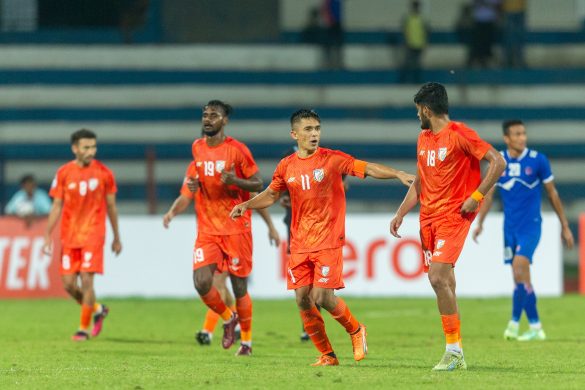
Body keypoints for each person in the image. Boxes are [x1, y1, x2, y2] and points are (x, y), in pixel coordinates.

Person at [230, 108, 414, 366]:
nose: (314, 134)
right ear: (294, 134)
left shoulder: (332, 159)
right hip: (300, 243)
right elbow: (271, 194)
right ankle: (327, 355)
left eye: (317, 128)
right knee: (302, 299)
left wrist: (397, 174)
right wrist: (247, 205)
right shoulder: (286, 166)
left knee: (322, 297)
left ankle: (356, 329)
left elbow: (367, 168)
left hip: (328, 239)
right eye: (308, 129)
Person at [390, 82, 506, 371]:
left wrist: (476, 196)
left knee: (437, 277)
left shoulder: (460, 134)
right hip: (427, 219)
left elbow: (498, 162)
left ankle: (453, 351)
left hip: (454, 216)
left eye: (419, 111)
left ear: (426, 109)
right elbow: (420, 181)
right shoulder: (424, 139)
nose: (418, 116)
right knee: (445, 281)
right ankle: (457, 351)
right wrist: (401, 212)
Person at [174, 99, 265, 356]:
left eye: (214, 115)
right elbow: (199, 179)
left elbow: (258, 183)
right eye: (205, 114)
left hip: (236, 228)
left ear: (224, 121)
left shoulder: (237, 150)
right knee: (201, 282)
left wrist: (235, 180)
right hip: (208, 230)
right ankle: (228, 318)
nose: (208, 119)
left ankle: (246, 342)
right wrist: (194, 186)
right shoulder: (197, 147)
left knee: (239, 288)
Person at [473, 120, 574, 341]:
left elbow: (553, 194)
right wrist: (480, 222)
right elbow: (488, 196)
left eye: (524, 133)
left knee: (520, 266)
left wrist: (564, 226)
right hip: (509, 228)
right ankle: (517, 324)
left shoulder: (538, 160)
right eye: (517, 134)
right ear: (507, 138)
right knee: (518, 277)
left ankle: (533, 326)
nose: (522, 138)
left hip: (531, 225)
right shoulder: (498, 162)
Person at [163, 174, 281, 346]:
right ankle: (232, 322)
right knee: (214, 285)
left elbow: (255, 197)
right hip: (211, 238)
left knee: (220, 284)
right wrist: (172, 212)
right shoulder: (197, 168)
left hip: (234, 237)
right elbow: (185, 195)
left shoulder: (234, 170)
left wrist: (271, 226)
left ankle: (213, 330)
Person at [42, 129, 122, 341]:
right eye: (86, 147)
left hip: (94, 234)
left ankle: (82, 329)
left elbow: (111, 206)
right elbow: (57, 205)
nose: (91, 151)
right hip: (69, 235)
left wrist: (116, 236)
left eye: (93, 147)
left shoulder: (105, 173)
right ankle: (97, 309)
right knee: (69, 284)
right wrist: (48, 234)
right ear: (75, 148)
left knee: (87, 281)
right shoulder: (63, 173)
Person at [400, 0, 428, 84]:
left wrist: (424, 43)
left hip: (419, 44)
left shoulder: (421, 18)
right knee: (409, 64)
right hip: (410, 44)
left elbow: (425, 31)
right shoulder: (408, 18)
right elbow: (405, 31)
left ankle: (416, 81)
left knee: (417, 64)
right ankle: (407, 81)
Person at [501, 0, 526, 68]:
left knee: (519, 37)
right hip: (508, 10)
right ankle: (507, 61)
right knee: (508, 36)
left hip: (520, 9)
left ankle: (518, 60)